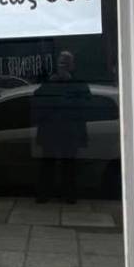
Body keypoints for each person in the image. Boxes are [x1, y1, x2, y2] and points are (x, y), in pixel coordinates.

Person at [32, 51, 91, 204]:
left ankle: (69, 195)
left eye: (66, 63)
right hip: (51, 132)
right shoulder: (50, 82)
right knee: (48, 164)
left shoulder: (79, 83)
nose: (63, 66)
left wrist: (68, 83)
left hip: (69, 132)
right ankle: (45, 194)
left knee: (69, 165)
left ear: (72, 65)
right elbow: (38, 99)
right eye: (61, 63)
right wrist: (51, 84)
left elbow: (85, 105)